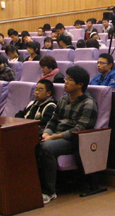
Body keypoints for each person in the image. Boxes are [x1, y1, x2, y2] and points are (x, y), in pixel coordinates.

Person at [36, 66, 97, 204]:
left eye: (69, 80)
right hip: (55, 135)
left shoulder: (88, 103)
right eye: (66, 78)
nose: (65, 82)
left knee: (46, 147)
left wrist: (52, 137)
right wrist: (46, 133)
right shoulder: (63, 99)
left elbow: (78, 129)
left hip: (74, 140)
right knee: (28, 140)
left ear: (80, 84)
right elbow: (53, 120)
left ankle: (49, 191)